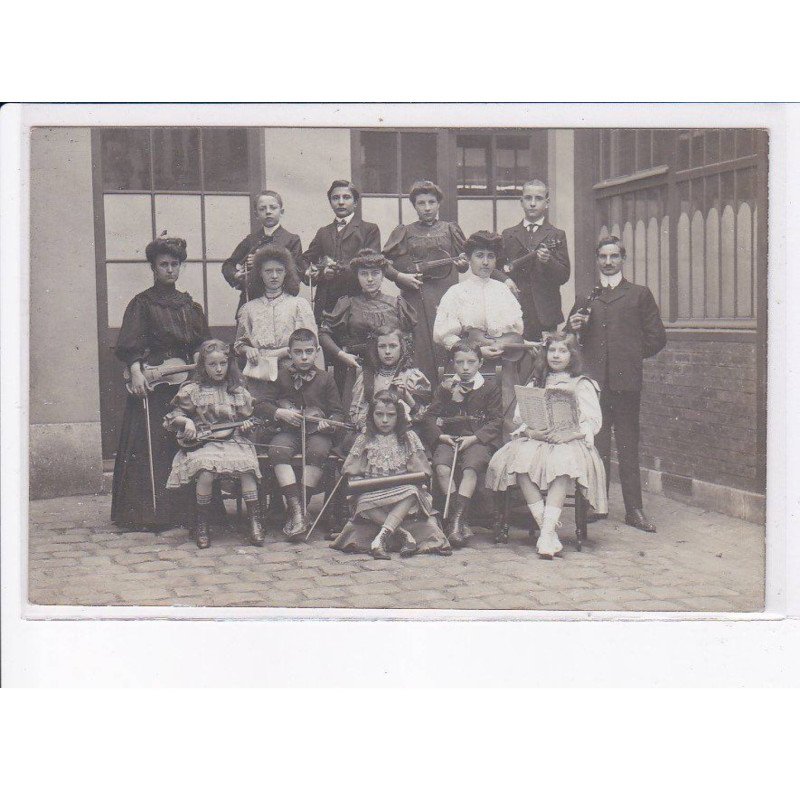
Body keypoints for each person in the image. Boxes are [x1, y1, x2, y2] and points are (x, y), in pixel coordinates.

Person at [566, 235, 666, 533]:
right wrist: (573, 329)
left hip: (626, 383)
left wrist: (631, 356)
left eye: (614, 256)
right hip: (594, 385)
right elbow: (568, 341)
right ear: (597, 260)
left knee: (627, 445)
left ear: (623, 258)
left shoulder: (638, 294)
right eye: (603, 257)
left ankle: (634, 510)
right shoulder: (587, 297)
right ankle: (598, 504)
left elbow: (657, 337)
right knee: (595, 444)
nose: (608, 262)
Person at [111, 234, 209, 531]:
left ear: (180, 267)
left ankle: (188, 512)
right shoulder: (142, 303)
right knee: (151, 445)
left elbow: (201, 346)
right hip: (152, 385)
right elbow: (130, 343)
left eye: (175, 264)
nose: (169, 270)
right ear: (153, 267)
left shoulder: (189, 307)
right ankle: (149, 514)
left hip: (184, 383)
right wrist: (137, 371)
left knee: (184, 441)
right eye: (163, 264)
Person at [486, 332, 608, 559]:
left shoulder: (582, 384)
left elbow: (592, 422)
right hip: (539, 438)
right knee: (519, 463)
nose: (556, 355)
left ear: (572, 355)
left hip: (569, 441)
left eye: (563, 351)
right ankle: (548, 532)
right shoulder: (536, 381)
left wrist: (569, 435)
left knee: (562, 467)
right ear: (545, 353)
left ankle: (546, 533)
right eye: (552, 350)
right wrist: (531, 431)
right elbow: (521, 417)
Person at [163, 340, 262, 549]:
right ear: (203, 366)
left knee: (246, 468)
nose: (219, 369)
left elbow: (251, 419)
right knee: (206, 469)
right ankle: (202, 525)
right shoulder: (193, 390)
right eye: (212, 365)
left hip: (235, 440)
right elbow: (172, 418)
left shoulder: (237, 390)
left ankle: (255, 522)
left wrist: (246, 425)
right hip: (204, 443)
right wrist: (187, 421)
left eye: (223, 364)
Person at [330, 391, 451, 560]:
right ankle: (402, 534)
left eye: (391, 415)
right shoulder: (364, 439)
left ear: (399, 416)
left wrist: (414, 479)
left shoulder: (408, 437)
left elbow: (422, 472)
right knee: (361, 500)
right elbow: (351, 471)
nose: (385, 420)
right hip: (375, 499)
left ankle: (380, 538)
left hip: (403, 498)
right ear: (372, 416)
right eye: (379, 415)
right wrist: (358, 481)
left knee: (412, 492)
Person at [254, 328, 345, 541]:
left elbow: (338, 413)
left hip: (316, 433)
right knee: (278, 451)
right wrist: (280, 412)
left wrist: (328, 423)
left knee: (318, 451)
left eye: (308, 351)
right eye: (298, 352)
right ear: (290, 353)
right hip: (288, 430)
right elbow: (261, 405)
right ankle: (296, 511)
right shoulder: (280, 376)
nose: (304, 357)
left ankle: (299, 510)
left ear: (317, 352)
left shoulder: (326, 379)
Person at [382, 180, 468, 384]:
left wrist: (463, 263)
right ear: (414, 205)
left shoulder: (450, 229)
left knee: (447, 340)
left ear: (439, 204)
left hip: (445, 295)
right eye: (421, 203)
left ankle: (449, 393)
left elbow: (464, 264)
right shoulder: (405, 231)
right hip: (415, 297)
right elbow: (383, 263)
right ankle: (420, 396)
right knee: (419, 346)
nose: (427, 208)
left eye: (431, 202)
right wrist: (400, 277)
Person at [420, 341, 502, 548]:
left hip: (476, 440)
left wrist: (475, 438)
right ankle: (459, 520)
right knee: (441, 467)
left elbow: (496, 421)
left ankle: (455, 521)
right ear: (452, 364)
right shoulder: (445, 388)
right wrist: (440, 437)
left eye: (471, 362)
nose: (465, 368)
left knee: (470, 468)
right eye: (460, 363)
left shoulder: (489, 388)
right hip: (450, 439)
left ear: (480, 363)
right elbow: (430, 416)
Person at [319, 249, 416, 397]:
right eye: (364, 274)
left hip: (392, 373)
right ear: (357, 276)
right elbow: (323, 334)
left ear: (383, 275)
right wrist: (342, 355)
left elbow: (408, 341)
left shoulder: (397, 304)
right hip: (358, 370)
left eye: (375, 273)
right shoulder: (348, 303)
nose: (370, 279)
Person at [234, 244, 317, 402]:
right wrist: (248, 349)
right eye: (268, 271)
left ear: (286, 273)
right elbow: (239, 344)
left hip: (292, 371)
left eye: (279, 271)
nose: (274, 276)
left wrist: (281, 353)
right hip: (259, 373)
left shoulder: (299, 305)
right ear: (260, 273)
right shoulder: (249, 309)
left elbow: (309, 342)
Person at [496, 179, 571, 341]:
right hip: (514, 308)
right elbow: (496, 268)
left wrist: (549, 261)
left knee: (544, 360)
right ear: (521, 202)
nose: (532, 203)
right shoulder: (508, 234)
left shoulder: (556, 234)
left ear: (547, 203)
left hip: (545, 313)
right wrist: (506, 280)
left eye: (538, 199)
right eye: (528, 198)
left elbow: (564, 275)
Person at [300, 180, 382, 325]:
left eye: (346, 197)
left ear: (355, 202)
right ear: (330, 202)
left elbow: (371, 263)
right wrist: (316, 272)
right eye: (335, 198)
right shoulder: (323, 232)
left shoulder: (369, 230)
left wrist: (336, 268)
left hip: (357, 300)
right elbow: (304, 260)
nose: (341, 202)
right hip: (326, 304)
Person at [221, 190, 304, 314]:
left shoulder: (292, 239)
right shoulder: (251, 240)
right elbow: (228, 265)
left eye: (273, 207)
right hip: (252, 299)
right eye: (262, 209)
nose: (268, 212)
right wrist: (236, 275)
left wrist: (260, 261)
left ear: (281, 211)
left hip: (282, 301)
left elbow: (297, 271)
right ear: (256, 214)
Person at [348, 325, 431, 434]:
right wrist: (365, 427)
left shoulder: (413, 377)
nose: (387, 351)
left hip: (405, 434)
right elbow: (357, 412)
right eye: (382, 346)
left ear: (401, 347)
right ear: (376, 349)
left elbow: (424, 418)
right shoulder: (367, 377)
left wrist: (407, 396)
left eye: (393, 346)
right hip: (372, 433)